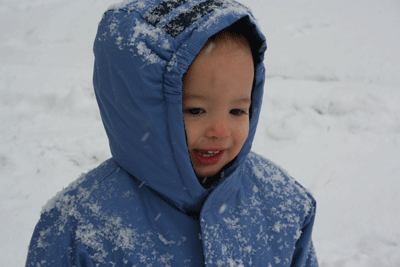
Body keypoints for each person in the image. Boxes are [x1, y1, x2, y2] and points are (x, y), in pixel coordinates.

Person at [25, 0, 318, 266]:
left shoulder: (283, 205)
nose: (220, 131)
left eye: (237, 111)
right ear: (139, 109)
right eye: (195, 110)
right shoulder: (79, 227)